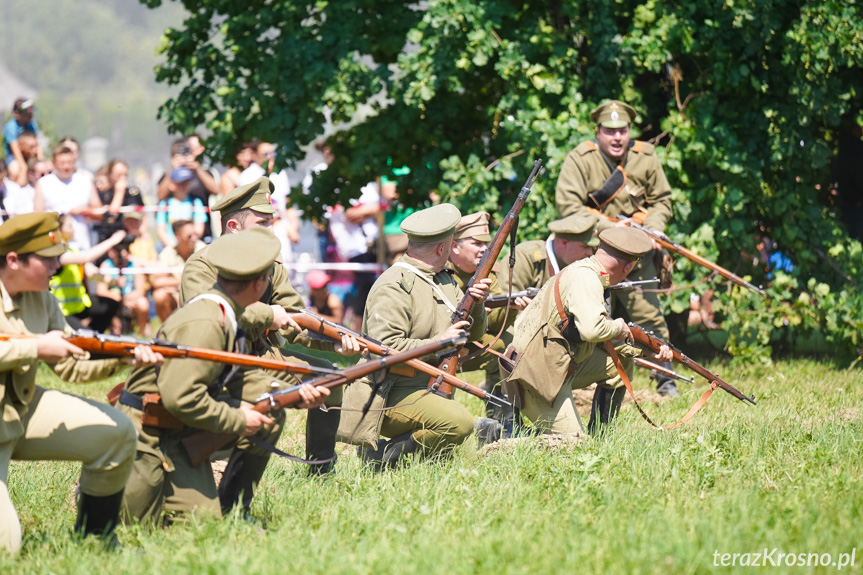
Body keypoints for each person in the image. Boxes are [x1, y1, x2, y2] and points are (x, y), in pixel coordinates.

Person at [119, 227, 329, 524]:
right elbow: (183, 398)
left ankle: (234, 510)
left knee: (205, 524)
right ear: (258, 284)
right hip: (147, 433)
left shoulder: (226, 310)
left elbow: (233, 371)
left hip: (178, 427)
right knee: (134, 522)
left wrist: (293, 397)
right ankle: (107, 487)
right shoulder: (207, 322)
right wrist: (240, 418)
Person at [180, 177, 360, 514]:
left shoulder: (269, 265)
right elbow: (206, 316)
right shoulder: (202, 264)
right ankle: (233, 498)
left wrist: (336, 343)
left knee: (330, 378)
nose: (272, 232)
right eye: (263, 224)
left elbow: (293, 318)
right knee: (272, 398)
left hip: (265, 355)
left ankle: (321, 470)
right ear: (233, 226)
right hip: (222, 363)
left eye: (272, 223)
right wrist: (267, 315)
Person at [0, 212, 162, 554]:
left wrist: (123, 355)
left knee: (117, 432)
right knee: (5, 547)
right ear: (13, 260)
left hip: (18, 410)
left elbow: (72, 363)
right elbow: (43, 347)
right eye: (49, 260)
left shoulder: (40, 295)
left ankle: (97, 542)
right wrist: (35, 346)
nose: (57, 266)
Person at [337, 204, 492, 469]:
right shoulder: (393, 285)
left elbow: (473, 335)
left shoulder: (444, 281)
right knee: (459, 424)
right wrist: (440, 342)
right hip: (387, 392)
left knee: (443, 450)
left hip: (428, 385)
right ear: (442, 249)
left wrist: (476, 302)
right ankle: (383, 460)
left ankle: (415, 460)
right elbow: (384, 349)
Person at [555, 99, 678, 396]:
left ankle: (666, 380)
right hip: (592, 251)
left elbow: (662, 200)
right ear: (598, 131)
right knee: (583, 314)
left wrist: (656, 227)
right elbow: (568, 208)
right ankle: (569, 373)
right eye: (609, 131)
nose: (617, 137)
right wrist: (611, 230)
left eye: (622, 130)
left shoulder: (645, 157)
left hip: (638, 250)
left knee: (649, 315)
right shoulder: (580, 159)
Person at [502, 228, 672, 437]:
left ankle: (601, 437)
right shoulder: (588, 279)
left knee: (619, 363)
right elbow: (592, 331)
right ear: (628, 267)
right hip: (534, 376)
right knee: (574, 448)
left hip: (549, 364)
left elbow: (599, 340)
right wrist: (619, 327)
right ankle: (502, 435)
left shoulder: (582, 271)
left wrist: (644, 352)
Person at [447, 211, 528, 442]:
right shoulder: (440, 273)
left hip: (469, 340)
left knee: (508, 348)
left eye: (486, 243)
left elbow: (492, 326)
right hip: (437, 345)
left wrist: (511, 308)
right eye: (476, 243)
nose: (484, 249)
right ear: (455, 247)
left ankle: (502, 423)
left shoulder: (491, 272)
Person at [49, 214, 127, 333]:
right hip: (61, 311)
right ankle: (87, 337)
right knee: (87, 336)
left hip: (79, 305)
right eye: (69, 226)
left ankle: (91, 335)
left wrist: (114, 281)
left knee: (110, 305)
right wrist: (112, 240)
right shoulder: (56, 254)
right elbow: (85, 257)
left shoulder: (73, 251)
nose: (73, 229)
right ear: (59, 230)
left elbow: (92, 273)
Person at [508, 212, 600, 294]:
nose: (590, 253)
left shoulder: (583, 264)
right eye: (585, 247)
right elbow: (505, 306)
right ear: (564, 243)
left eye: (592, 247)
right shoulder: (524, 257)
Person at [33, 145, 101, 250]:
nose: (66, 167)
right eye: (62, 163)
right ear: (54, 163)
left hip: (82, 245)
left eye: (70, 162)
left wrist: (84, 210)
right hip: (53, 244)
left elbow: (99, 212)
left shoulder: (85, 181)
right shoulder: (44, 183)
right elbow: (37, 215)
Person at [156, 136, 220, 240]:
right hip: (173, 237)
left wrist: (197, 168)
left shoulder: (203, 172)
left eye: (187, 153)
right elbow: (160, 195)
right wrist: (172, 168)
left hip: (203, 233)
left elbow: (216, 190)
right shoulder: (167, 176)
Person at [151, 220, 205, 321]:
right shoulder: (168, 253)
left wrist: (183, 283)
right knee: (159, 295)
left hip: (199, 292)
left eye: (195, 235)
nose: (194, 239)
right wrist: (180, 283)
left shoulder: (202, 249)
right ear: (177, 236)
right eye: (189, 236)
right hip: (176, 294)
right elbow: (157, 281)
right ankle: (167, 330)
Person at [155, 166, 207, 248]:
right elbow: (161, 231)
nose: (184, 186)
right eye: (180, 183)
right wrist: (174, 248)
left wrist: (189, 244)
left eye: (186, 182)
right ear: (171, 184)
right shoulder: (164, 204)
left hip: (192, 244)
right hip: (170, 246)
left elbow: (199, 229)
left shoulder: (196, 202)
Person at [3, 99, 42, 182]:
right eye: (27, 114)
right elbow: (15, 149)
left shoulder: (31, 125)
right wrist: (23, 166)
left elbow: (36, 145)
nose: (30, 116)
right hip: (13, 155)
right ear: (17, 114)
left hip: (30, 153)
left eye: (31, 113)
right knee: (15, 170)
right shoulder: (11, 127)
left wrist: (41, 160)